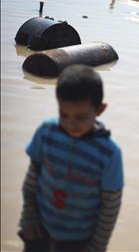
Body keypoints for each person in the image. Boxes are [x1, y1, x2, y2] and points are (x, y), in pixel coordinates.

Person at [18, 65, 124, 252]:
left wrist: (97, 247)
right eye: (63, 115)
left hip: (79, 242)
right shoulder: (47, 132)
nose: (70, 124)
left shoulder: (108, 154)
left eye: (81, 117)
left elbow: (110, 206)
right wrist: (29, 218)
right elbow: (32, 180)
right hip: (39, 230)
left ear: (100, 109)